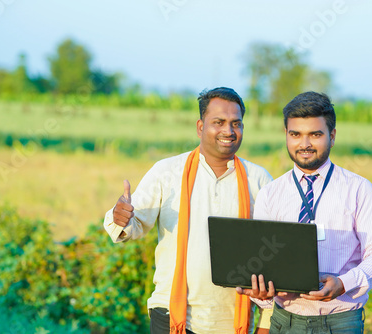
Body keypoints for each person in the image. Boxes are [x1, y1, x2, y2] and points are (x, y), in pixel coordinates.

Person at [104, 87, 274, 334]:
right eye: (219, 122)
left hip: (233, 321)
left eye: (236, 123)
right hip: (171, 316)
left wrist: (265, 323)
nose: (228, 131)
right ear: (200, 126)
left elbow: (274, 251)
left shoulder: (259, 180)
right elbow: (132, 225)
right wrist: (121, 217)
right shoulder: (167, 172)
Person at [237, 91, 372, 333]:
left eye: (315, 134)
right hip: (283, 321)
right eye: (295, 134)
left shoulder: (359, 189)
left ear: (332, 135)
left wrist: (343, 283)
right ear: (286, 135)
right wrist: (261, 294)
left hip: (340, 322)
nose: (304, 144)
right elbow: (264, 262)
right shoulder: (270, 193)